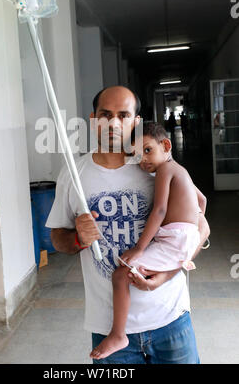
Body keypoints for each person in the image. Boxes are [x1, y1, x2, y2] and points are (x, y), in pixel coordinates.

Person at [46, 86, 210, 364]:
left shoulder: (153, 164)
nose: (113, 123)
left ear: (136, 122)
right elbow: (57, 238)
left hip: (170, 319)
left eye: (123, 115)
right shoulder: (74, 174)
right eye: (105, 115)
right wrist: (77, 239)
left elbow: (200, 229)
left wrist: (167, 274)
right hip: (108, 327)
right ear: (92, 119)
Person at [90, 121, 207, 360]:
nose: (143, 160)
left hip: (174, 239)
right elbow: (202, 200)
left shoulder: (165, 170)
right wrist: (193, 223)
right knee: (130, 274)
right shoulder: (181, 170)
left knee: (120, 275)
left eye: (147, 150)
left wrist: (139, 247)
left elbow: (160, 211)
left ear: (166, 145)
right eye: (136, 155)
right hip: (182, 236)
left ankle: (118, 335)